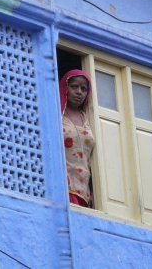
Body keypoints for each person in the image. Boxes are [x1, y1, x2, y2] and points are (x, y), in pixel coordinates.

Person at [59, 69, 95, 208]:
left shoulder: (88, 118)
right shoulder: (58, 114)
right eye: (74, 86)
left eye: (84, 88)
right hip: (64, 188)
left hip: (84, 191)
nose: (79, 92)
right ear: (65, 87)